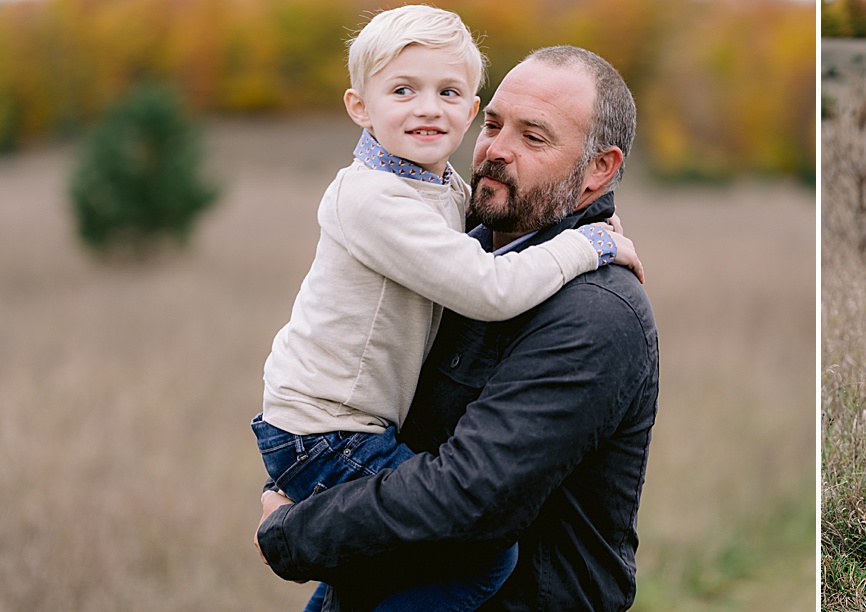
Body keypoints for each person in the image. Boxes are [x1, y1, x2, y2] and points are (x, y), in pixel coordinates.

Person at [251, 7, 640, 610]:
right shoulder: (456, 230)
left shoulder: (596, 314)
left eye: (532, 136)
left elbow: (469, 496)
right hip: (336, 444)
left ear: (600, 170)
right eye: (495, 125)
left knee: (483, 559)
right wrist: (586, 239)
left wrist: (293, 532)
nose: (496, 151)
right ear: (360, 106)